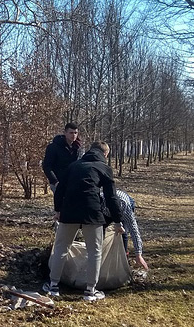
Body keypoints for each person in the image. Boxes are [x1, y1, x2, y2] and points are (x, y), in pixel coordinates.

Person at [43, 141, 123, 302]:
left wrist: (58, 210)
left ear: (89, 151)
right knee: (95, 252)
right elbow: (111, 197)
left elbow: (59, 189)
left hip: (69, 210)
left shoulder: (73, 166)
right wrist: (117, 220)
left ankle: (53, 286)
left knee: (61, 248)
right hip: (92, 212)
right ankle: (90, 291)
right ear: (105, 154)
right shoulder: (104, 168)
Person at [114, 188, 149, 270]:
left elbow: (134, 231)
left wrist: (138, 254)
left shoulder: (126, 209)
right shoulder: (100, 205)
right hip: (107, 206)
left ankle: (124, 257)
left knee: (124, 232)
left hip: (125, 203)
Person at [42, 122, 82, 193]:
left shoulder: (77, 148)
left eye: (75, 133)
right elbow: (47, 166)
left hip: (73, 182)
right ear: (65, 133)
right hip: (58, 182)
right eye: (71, 133)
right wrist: (55, 181)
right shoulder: (53, 147)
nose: (74, 135)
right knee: (61, 203)